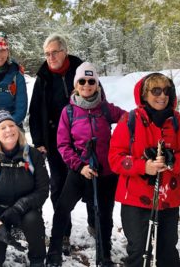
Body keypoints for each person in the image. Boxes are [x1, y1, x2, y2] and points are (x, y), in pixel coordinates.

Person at [108, 73, 180, 267]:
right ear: (144, 94)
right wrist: (143, 166)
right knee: (139, 251)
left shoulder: (176, 120)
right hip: (136, 199)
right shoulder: (129, 120)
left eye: (166, 91)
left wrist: (174, 160)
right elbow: (114, 159)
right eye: (156, 91)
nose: (162, 96)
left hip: (168, 198)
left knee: (167, 251)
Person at [45, 62, 126, 267]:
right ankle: (54, 250)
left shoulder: (106, 109)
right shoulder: (69, 112)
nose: (87, 85)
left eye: (91, 81)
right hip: (80, 170)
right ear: (76, 84)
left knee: (105, 214)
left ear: (97, 84)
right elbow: (62, 145)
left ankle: (104, 253)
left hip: (106, 172)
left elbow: (128, 120)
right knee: (63, 208)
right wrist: (79, 165)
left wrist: (118, 142)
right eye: (82, 80)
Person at [29, 33, 93, 253]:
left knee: (90, 183)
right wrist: (38, 141)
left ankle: (96, 224)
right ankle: (63, 232)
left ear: (65, 51)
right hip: (55, 142)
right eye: (47, 54)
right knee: (58, 187)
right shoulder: (43, 77)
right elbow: (34, 112)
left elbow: (98, 99)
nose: (51, 57)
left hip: (83, 141)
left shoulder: (81, 71)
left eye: (55, 52)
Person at [0, 110, 49, 267]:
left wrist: (18, 208)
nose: (8, 130)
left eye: (11, 125)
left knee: (33, 219)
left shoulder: (33, 155)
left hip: (26, 211)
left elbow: (42, 190)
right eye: (3, 127)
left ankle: (37, 259)